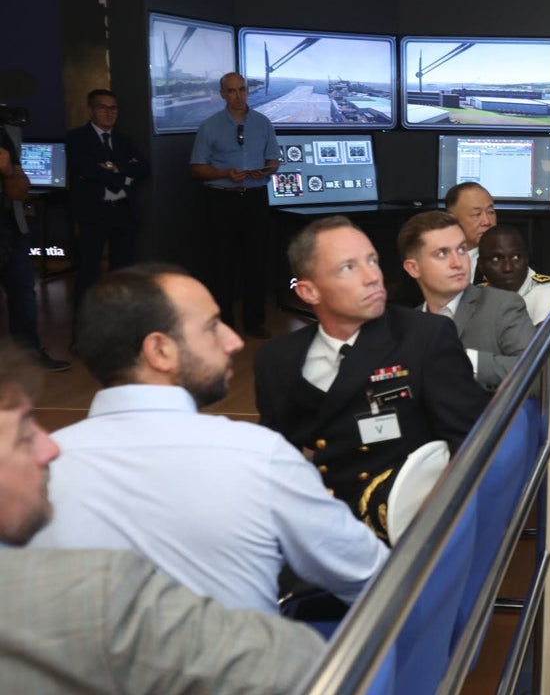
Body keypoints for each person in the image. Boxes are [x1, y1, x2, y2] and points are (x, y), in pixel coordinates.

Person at [28, 262, 388, 615]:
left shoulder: (33, 474)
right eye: (213, 327)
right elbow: (376, 581)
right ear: (160, 351)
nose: (233, 341)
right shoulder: (259, 457)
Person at [0, 340, 327, 693]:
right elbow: (299, 664)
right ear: (157, 350)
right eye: (22, 435)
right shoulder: (95, 593)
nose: (50, 448)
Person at [255, 216, 488, 541]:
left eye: (372, 261)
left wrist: (432, 525)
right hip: (316, 527)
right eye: (348, 268)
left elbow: (473, 442)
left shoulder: (423, 338)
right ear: (308, 291)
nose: (372, 277)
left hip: (401, 529)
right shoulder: (277, 360)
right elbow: (278, 460)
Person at [398, 210, 535, 393]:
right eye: (442, 254)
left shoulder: (503, 305)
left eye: (461, 249)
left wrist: (467, 361)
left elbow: (537, 375)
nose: (458, 262)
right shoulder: (407, 326)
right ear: (413, 268)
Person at [188, 72, 279, 339]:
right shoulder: (210, 126)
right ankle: (223, 323)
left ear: (248, 91)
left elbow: (274, 159)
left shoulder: (263, 124)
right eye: (231, 91)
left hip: (255, 199)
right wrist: (224, 173)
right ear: (222, 95)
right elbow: (196, 168)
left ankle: (254, 321)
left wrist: (267, 170)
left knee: (256, 261)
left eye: (241, 90)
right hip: (221, 200)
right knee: (221, 264)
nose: (237, 96)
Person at [65, 88, 149, 310]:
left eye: (113, 108)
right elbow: (88, 170)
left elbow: (143, 167)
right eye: (103, 108)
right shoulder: (76, 138)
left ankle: (120, 328)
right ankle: (83, 336)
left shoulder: (123, 140)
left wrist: (114, 169)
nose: (109, 113)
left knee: (123, 273)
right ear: (90, 110)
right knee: (88, 274)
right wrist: (124, 176)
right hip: (94, 214)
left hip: (124, 212)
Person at [0, 124, 70, 371]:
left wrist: (8, 170)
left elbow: (20, 190)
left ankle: (28, 356)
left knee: (23, 294)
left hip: (11, 227)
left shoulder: (4, 133)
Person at [478, 224, 550, 326]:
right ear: (481, 265)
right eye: (496, 259)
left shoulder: (546, 291)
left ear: (526, 259)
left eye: (515, 257)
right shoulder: (476, 296)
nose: (507, 268)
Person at [445, 181, 496, 283]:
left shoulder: (507, 257)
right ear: (452, 219)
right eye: (476, 214)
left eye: (490, 212)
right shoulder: (436, 258)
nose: (486, 222)